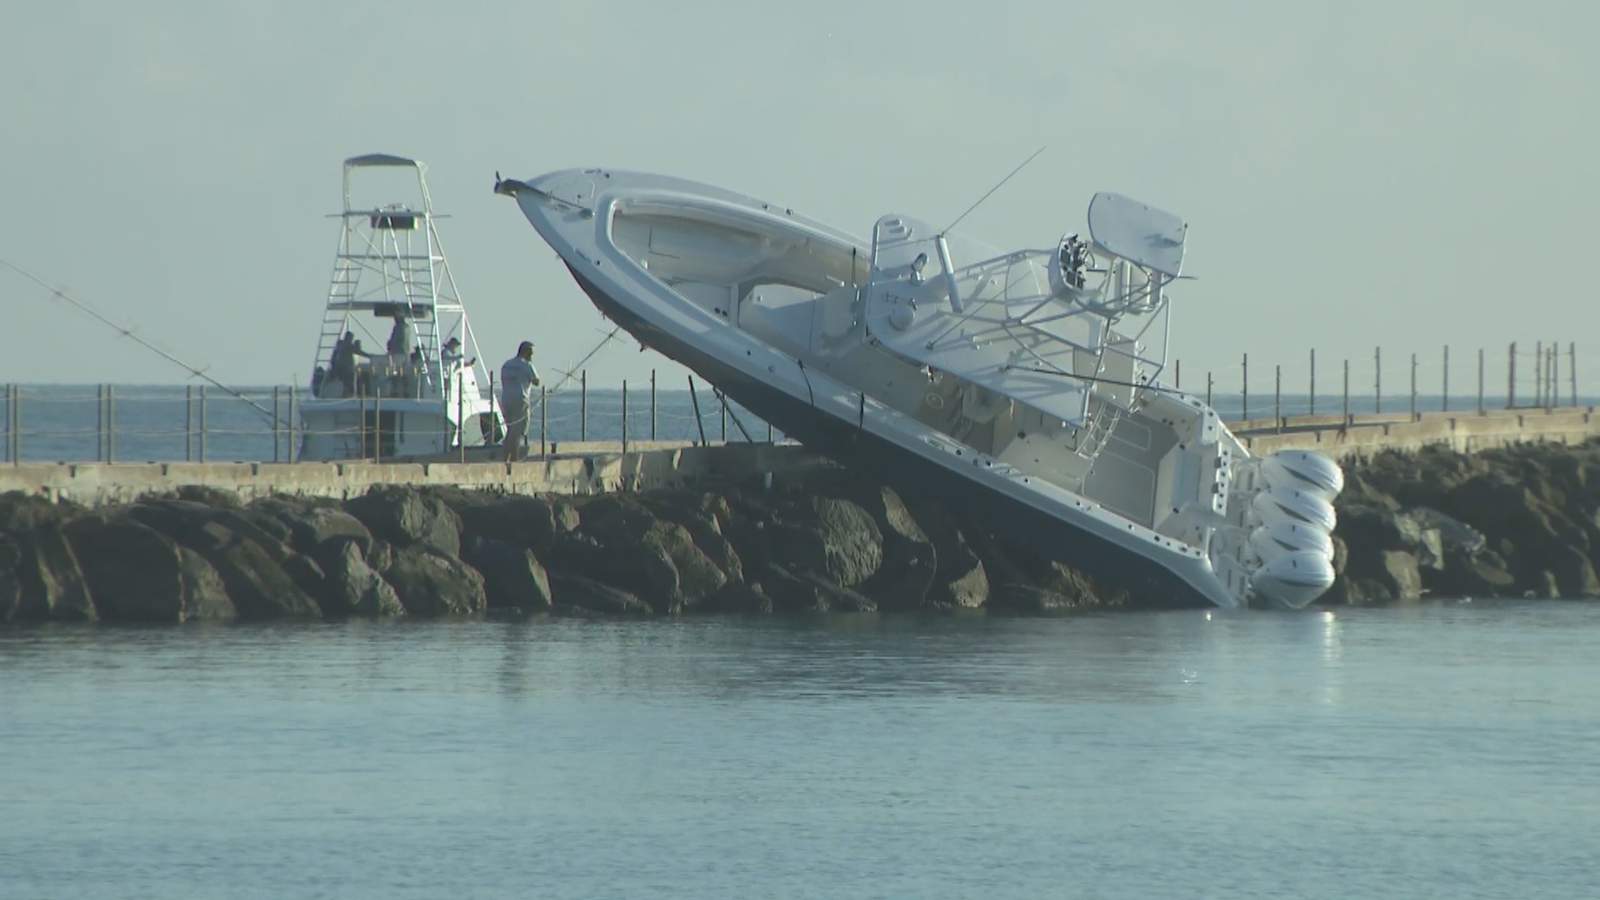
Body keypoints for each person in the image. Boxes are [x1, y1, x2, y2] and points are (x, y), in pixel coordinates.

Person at [499, 340, 540, 461]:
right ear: (526, 352)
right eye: (531, 353)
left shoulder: (506, 364)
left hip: (506, 400)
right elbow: (536, 381)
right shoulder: (527, 365)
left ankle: (505, 458)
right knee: (518, 432)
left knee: (510, 430)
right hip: (520, 401)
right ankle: (514, 460)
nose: (532, 356)